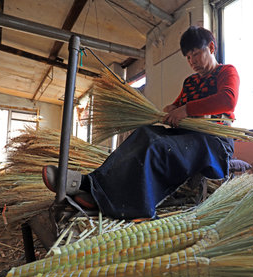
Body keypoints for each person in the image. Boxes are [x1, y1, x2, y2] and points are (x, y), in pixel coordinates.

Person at [42, 26, 240, 219]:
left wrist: (185, 110)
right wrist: (171, 110)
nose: (192, 61)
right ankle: (89, 183)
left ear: (212, 48)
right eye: (188, 57)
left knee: (159, 146)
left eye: (196, 54)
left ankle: (128, 204)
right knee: (144, 133)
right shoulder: (190, 82)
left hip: (215, 142)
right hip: (189, 136)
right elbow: (178, 105)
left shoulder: (226, 72)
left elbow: (227, 100)